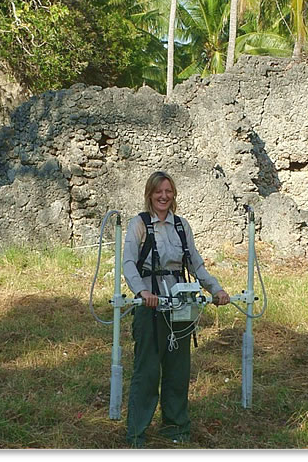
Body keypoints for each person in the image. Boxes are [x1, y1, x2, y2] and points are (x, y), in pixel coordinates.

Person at [123, 171, 230, 447]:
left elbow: (196, 264)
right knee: (147, 372)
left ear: (174, 195)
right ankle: (137, 433)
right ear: (150, 194)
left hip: (181, 306)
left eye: (168, 191)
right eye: (159, 191)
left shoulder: (182, 226)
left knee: (178, 371)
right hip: (150, 307)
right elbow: (128, 264)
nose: (164, 196)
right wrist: (142, 292)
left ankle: (176, 429)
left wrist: (215, 289)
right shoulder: (139, 224)